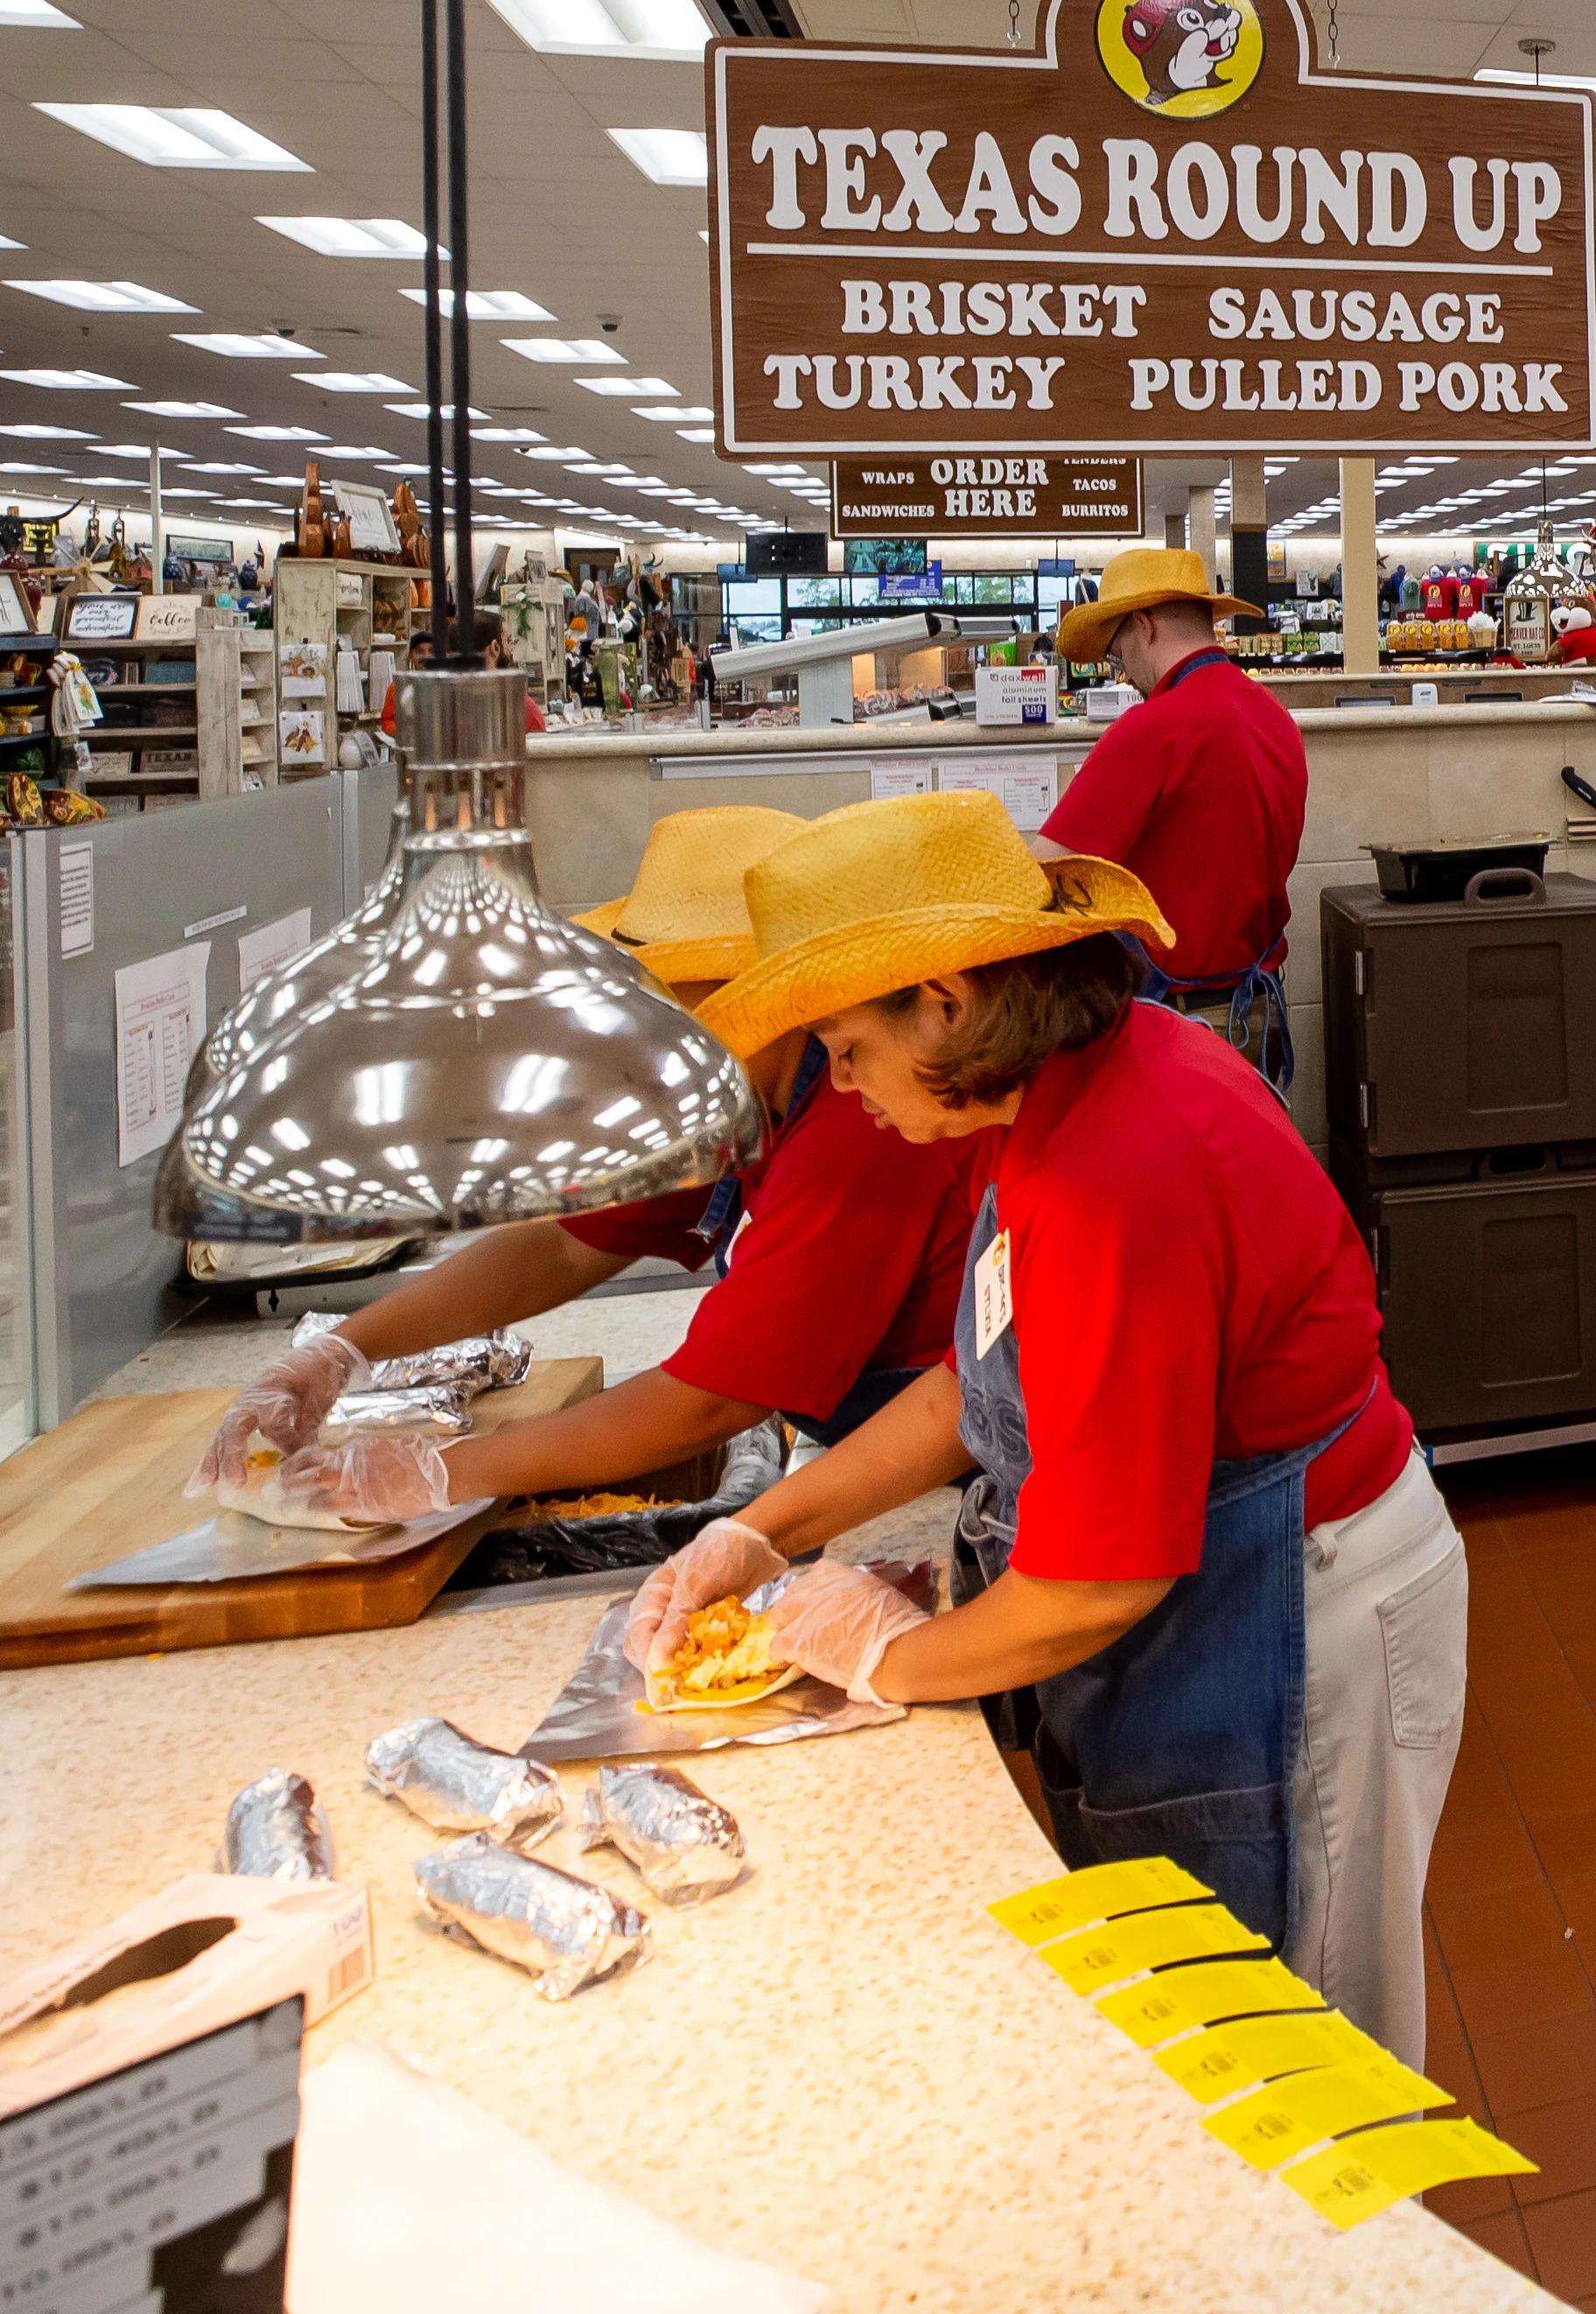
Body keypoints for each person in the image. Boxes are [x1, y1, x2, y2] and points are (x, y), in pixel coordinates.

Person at [623, 791, 1465, 2058]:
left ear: (948, 1005)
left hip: (1306, 1607)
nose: (836, 1082)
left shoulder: (1116, 1171)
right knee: (1201, 2029)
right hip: (1217, 1596)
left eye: (848, 1043)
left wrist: (883, 1660)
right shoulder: (1051, 1106)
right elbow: (977, 1392)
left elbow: (1097, 1582)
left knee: (1301, 2047)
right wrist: (762, 1532)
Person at [191, 806, 996, 1514]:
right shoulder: (743, 1093)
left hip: (970, 1467)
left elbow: (713, 1401)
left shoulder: (866, 1120)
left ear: (767, 994)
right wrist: (342, 1352)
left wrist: (441, 1473)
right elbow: (567, 1242)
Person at [1043, 544, 1307, 1089]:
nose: (1125, 672)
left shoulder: (1153, 729)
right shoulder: (1274, 717)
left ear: (1144, 626)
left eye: (1119, 651)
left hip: (1183, 1029)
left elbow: (1049, 870)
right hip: (1260, 1015)